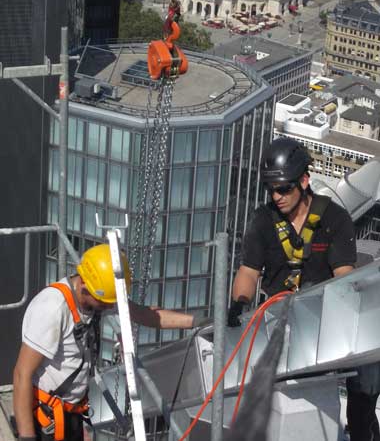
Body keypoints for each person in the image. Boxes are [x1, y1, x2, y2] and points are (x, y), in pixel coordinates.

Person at [227, 138, 378, 441]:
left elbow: (343, 278)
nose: (277, 196)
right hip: (279, 318)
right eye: (271, 189)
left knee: (364, 389)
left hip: (323, 318)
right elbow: (249, 270)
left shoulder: (333, 220)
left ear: (304, 181)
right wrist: (239, 303)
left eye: (284, 188)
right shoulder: (262, 221)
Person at [13, 243, 207, 441]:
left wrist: (197, 321)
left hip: (71, 413)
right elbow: (22, 374)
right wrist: (27, 437)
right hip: (45, 416)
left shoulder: (98, 297)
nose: (109, 306)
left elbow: (142, 314)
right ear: (84, 287)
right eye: (104, 301)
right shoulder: (52, 308)